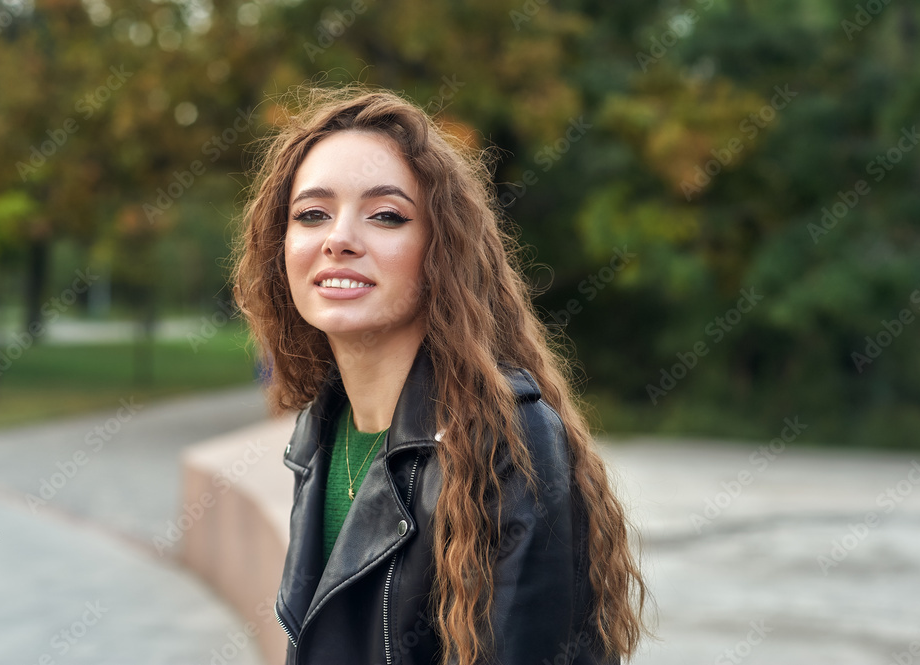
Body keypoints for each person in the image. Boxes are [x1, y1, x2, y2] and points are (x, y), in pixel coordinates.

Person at [232, 85, 648, 665]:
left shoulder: (511, 440)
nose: (339, 240)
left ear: (440, 251)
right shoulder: (319, 435)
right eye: (311, 215)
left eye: (385, 215)